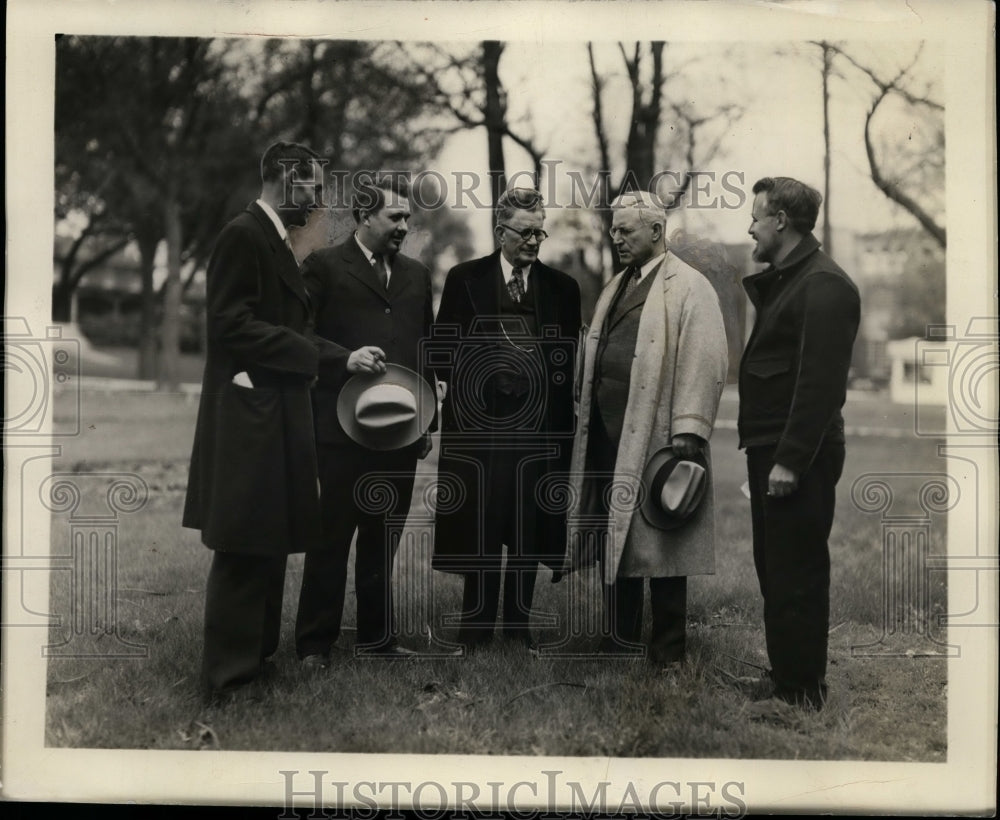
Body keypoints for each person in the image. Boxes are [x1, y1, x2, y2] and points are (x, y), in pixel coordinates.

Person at [183, 141, 326, 704]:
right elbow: (228, 323)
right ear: (288, 178)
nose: (318, 199)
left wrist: (320, 354)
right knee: (244, 543)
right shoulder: (244, 235)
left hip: (272, 411)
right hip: (250, 415)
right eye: (313, 186)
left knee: (268, 535)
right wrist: (304, 353)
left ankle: (255, 658)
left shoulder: (274, 238)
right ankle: (229, 678)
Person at [564, 190, 728, 668]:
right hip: (610, 433)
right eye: (613, 230)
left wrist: (689, 428)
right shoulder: (617, 285)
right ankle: (619, 640)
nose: (616, 238)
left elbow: (706, 358)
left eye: (626, 230)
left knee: (664, 537)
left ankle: (668, 650)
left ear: (656, 231)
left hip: (660, 438)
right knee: (618, 536)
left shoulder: (691, 286)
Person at [431, 187, 581, 652]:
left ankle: (519, 627)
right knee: (480, 523)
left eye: (540, 232)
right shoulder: (464, 279)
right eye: (525, 232)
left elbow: (567, 365)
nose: (534, 241)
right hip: (480, 432)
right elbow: (442, 353)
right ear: (501, 232)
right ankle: (474, 630)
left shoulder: (563, 289)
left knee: (527, 525)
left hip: (537, 432)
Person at [294, 175, 435, 664]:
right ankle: (315, 644)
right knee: (331, 539)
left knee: (383, 540)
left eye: (408, 218)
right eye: (395, 217)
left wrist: (427, 422)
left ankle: (378, 641)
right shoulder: (324, 266)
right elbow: (297, 334)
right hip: (340, 431)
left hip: (400, 433)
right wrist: (344, 358)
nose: (405, 226)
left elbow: (426, 350)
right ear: (363, 216)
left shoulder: (418, 275)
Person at [739, 176, 860, 715]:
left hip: (798, 453)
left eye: (756, 217)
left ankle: (801, 693)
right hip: (773, 447)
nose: (751, 228)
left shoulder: (824, 284)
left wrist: (789, 460)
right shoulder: (793, 279)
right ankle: (787, 676)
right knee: (776, 567)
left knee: (797, 571)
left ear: (781, 220)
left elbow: (820, 386)